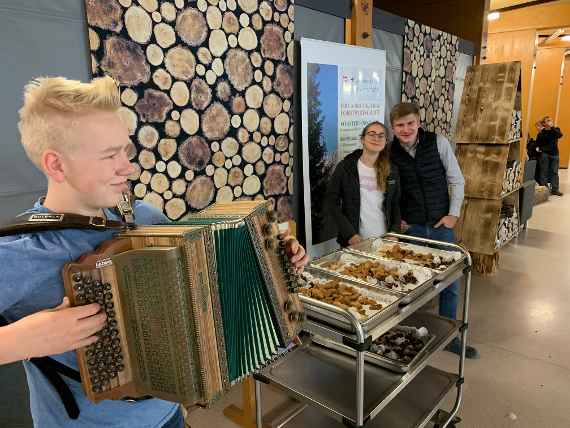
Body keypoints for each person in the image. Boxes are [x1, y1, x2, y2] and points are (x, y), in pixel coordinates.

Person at [0, 76, 308, 427]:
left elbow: (203, 289)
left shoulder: (142, 216)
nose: (127, 167)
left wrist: (277, 263)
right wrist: (22, 340)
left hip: (167, 414)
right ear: (56, 165)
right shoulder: (20, 251)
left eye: (125, 151)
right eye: (109, 155)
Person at [389, 102, 479, 359]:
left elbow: (456, 179)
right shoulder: (390, 152)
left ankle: (449, 337)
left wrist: (453, 214)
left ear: (418, 122)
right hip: (412, 229)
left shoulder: (438, 142)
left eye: (410, 123)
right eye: (400, 125)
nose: (406, 129)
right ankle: (403, 337)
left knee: (450, 282)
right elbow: (390, 190)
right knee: (407, 283)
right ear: (393, 128)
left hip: (441, 227)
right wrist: (398, 222)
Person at [325, 121, 401, 247]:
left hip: (385, 241)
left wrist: (394, 233)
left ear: (386, 142)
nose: (376, 138)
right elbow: (331, 203)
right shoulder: (345, 167)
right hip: (355, 241)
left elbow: (395, 204)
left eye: (381, 135)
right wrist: (349, 234)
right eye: (372, 134)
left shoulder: (392, 170)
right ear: (362, 139)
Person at [536, 116, 563, 196]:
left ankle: (555, 189)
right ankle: (545, 190)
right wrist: (540, 148)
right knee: (544, 171)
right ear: (544, 123)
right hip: (545, 154)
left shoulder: (556, 130)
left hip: (555, 154)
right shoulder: (542, 132)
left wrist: (552, 127)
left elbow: (559, 135)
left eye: (550, 120)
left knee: (554, 172)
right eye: (547, 121)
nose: (550, 122)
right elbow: (538, 143)